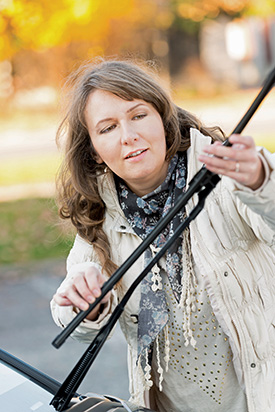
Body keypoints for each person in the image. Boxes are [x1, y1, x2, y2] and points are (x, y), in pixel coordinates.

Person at [50, 58, 275, 412]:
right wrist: (84, 304)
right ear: (93, 150)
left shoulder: (225, 174)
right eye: (107, 128)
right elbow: (74, 325)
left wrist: (264, 180)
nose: (129, 136)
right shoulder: (99, 220)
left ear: (163, 119)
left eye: (138, 115)